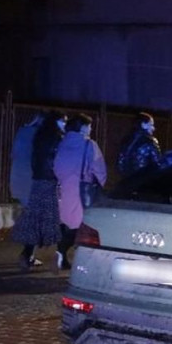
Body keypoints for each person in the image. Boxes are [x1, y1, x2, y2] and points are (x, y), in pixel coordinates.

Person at [11, 111, 67, 271]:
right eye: (63, 121)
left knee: (36, 218)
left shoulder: (40, 136)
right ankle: (60, 255)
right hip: (50, 181)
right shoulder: (57, 138)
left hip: (38, 180)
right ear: (56, 122)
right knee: (55, 218)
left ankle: (28, 254)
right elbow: (57, 161)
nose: (65, 124)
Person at [54, 113, 108, 271]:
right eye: (89, 126)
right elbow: (100, 170)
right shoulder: (89, 145)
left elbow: (56, 166)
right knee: (82, 226)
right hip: (82, 190)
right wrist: (99, 184)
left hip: (64, 189)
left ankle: (61, 255)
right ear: (83, 127)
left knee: (66, 223)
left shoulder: (62, 143)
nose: (91, 129)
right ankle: (66, 252)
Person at [8, 114, 44, 267]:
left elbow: (13, 154)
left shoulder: (22, 132)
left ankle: (28, 253)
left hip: (18, 180)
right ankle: (27, 254)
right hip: (32, 181)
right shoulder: (39, 135)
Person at [117, 112, 163, 178]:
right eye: (151, 125)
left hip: (127, 181)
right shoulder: (149, 141)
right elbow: (158, 164)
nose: (153, 128)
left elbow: (120, 164)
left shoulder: (126, 140)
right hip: (144, 182)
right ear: (143, 125)